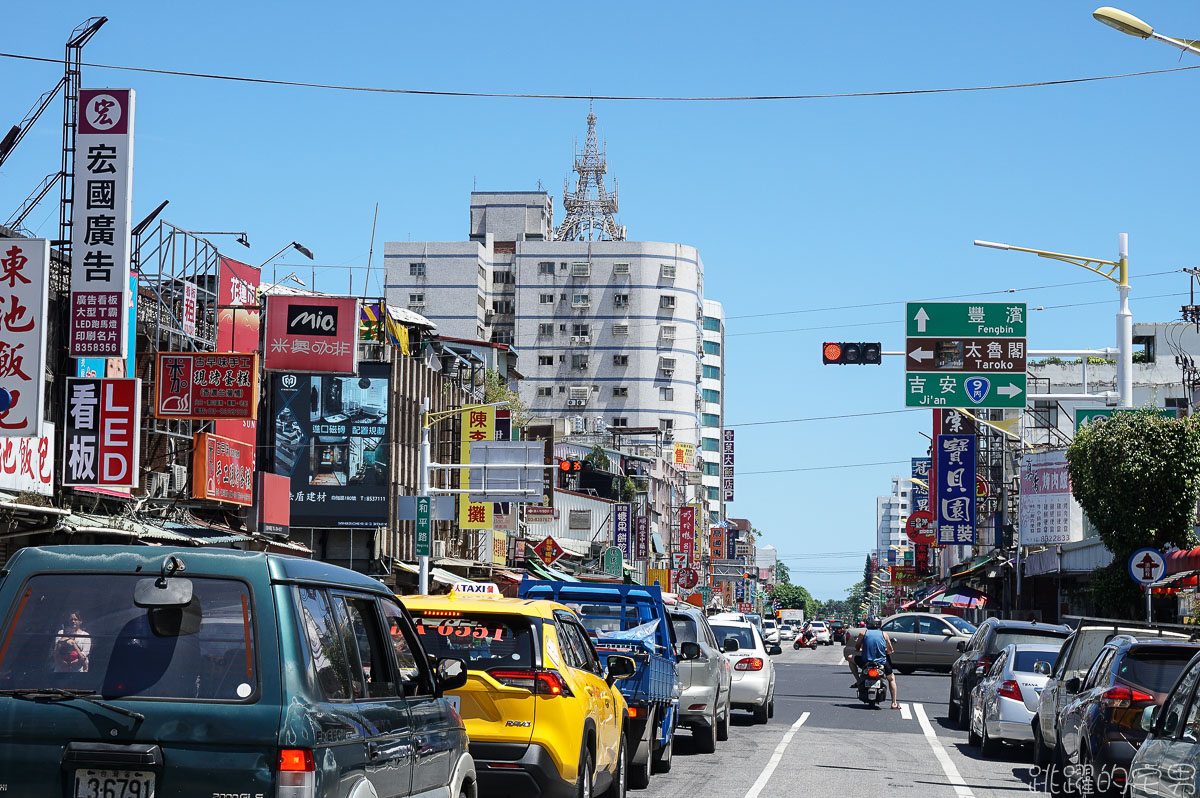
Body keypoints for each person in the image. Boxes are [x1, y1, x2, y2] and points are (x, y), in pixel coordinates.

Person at [849, 617, 899, 710]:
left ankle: (858, 680)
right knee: (891, 679)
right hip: (881, 663)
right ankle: (894, 703)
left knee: (850, 658)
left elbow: (856, 648)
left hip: (865, 662)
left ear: (867, 624)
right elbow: (890, 650)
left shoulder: (863, 633)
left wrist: (863, 650)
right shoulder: (884, 634)